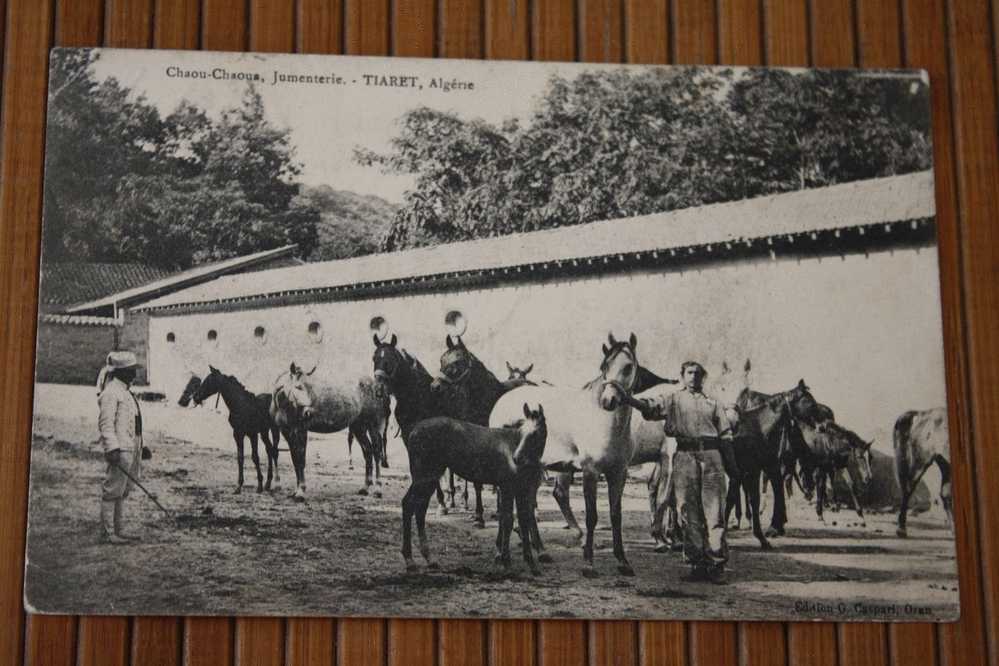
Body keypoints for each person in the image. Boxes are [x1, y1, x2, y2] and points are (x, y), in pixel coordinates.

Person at [624, 361, 734, 583]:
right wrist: (629, 399)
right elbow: (651, 407)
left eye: (698, 373)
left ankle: (717, 565)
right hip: (684, 456)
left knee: (714, 513)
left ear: (703, 377)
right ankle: (697, 565)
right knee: (687, 511)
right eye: (689, 373)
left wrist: (733, 467)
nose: (693, 377)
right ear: (682, 376)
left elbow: (726, 436)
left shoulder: (713, 403)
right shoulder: (673, 400)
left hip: (712, 457)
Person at [96, 350, 144, 545]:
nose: (134, 374)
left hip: (131, 447)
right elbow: (106, 424)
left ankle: (119, 530)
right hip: (120, 449)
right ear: (121, 372)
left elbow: (134, 422)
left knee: (122, 490)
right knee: (112, 490)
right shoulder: (111, 393)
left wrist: (142, 445)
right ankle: (107, 533)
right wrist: (111, 448)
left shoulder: (125, 391)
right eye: (131, 370)